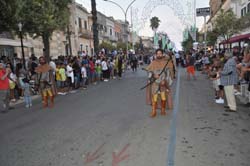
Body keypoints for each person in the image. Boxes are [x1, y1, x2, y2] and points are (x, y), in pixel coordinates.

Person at [145, 49, 170, 118]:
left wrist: (165, 80)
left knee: (163, 97)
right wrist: (153, 75)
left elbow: (168, 74)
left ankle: (163, 109)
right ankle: (154, 111)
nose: (159, 55)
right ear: (156, 55)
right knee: (154, 97)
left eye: (160, 53)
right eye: (157, 54)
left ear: (162, 54)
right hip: (155, 82)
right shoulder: (153, 62)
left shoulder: (166, 63)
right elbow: (149, 71)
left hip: (162, 82)